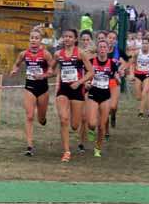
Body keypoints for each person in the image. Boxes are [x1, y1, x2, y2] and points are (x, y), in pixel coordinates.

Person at [10, 27, 54, 156]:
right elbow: (17, 64)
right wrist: (14, 70)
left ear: (40, 40)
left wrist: (45, 74)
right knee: (29, 116)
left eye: (36, 38)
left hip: (42, 88)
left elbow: (53, 70)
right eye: (32, 38)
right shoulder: (24, 54)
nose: (34, 40)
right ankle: (29, 146)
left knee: (40, 118)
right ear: (29, 39)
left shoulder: (45, 54)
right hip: (29, 86)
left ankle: (43, 119)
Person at [54, 29, 94, 161]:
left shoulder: (80, 54)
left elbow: (91, 72)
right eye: (65, 36)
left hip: (77, 90)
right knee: (63, 119)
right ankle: (66, 151)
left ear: (75, 39)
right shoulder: (58, 54)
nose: (67, 39)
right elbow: (53, 69)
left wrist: (79, 82)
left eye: (70, 37)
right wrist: (44, 74)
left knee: (74, 125)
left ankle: (74, 117)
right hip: (63, 89)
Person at [85, 39, 116, 157]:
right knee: (92, 123)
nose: (102, 49)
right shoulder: (91, 61)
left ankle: (98, 148)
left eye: (104, 47)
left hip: (105, 96)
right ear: (97, 49)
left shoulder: (112, 64)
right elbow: (85, 75)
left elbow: (116, 77)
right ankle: (91, 130)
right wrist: (86, 83)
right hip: (93, 94)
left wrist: (119, 77)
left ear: (108, 50)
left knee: (102, 126)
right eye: (100, 47)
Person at [130, 37, 149, 117]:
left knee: (145, 92)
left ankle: (141, 111)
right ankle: (143, 106)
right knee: (138, 96)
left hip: (147, 74)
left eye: (146, 43)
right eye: (143, 43)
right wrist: (131, 73)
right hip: (138, 74)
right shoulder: (137, 53)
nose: (144, 45)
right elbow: (132, 63)